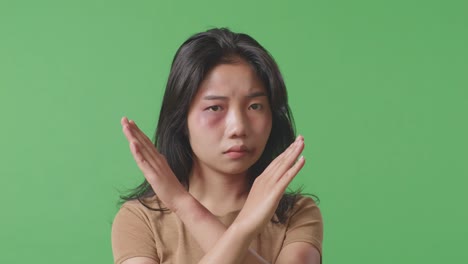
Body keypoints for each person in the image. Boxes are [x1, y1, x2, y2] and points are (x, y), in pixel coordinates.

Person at [111, 28, 323, 264]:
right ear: (182, 119)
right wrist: (242, 228)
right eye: (215, 108)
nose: (238, 127)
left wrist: (185, 206)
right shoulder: (140, 220)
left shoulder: (296, 213)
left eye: (255, 106)